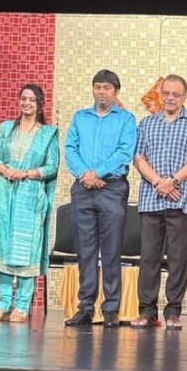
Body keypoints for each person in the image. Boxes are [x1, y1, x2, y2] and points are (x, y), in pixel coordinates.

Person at [132, 74, 187, 330]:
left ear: (184, 97)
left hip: (183, 200)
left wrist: (173, 181)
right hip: (151, 199)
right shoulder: (146, 123)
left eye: (176, 94)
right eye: (166, 93)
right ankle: (147, 311)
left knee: (179, 259)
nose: (170, 98)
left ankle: (173, 311)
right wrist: (159, 182)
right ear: (160, 94)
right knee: (149, 258)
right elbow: (138, 158)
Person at [63, 69, 138, 328]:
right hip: (83, 188)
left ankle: (111, 309)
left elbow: (124, 152)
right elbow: (70, 149)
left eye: (107, 88)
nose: (101, 92)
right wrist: (85, 174)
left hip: (112, 188)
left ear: (116, 92)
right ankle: (85, 307)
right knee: (85, 251)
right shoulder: (80, 117)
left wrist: (97, 173)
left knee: (111, 251)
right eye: (98, 87)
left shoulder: (126, 119)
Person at [0, 85, 60, 323]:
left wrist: (25, 173)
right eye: (23, 99)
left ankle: (23, 305)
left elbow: (52, 167)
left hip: (30, 196)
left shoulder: (48, 134)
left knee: (27, 248)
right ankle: (3, 302)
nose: (26, 103)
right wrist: (6, 170)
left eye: (32, 100)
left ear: (40, 104)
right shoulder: (6, 128)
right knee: (2, 246)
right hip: (4, 193)